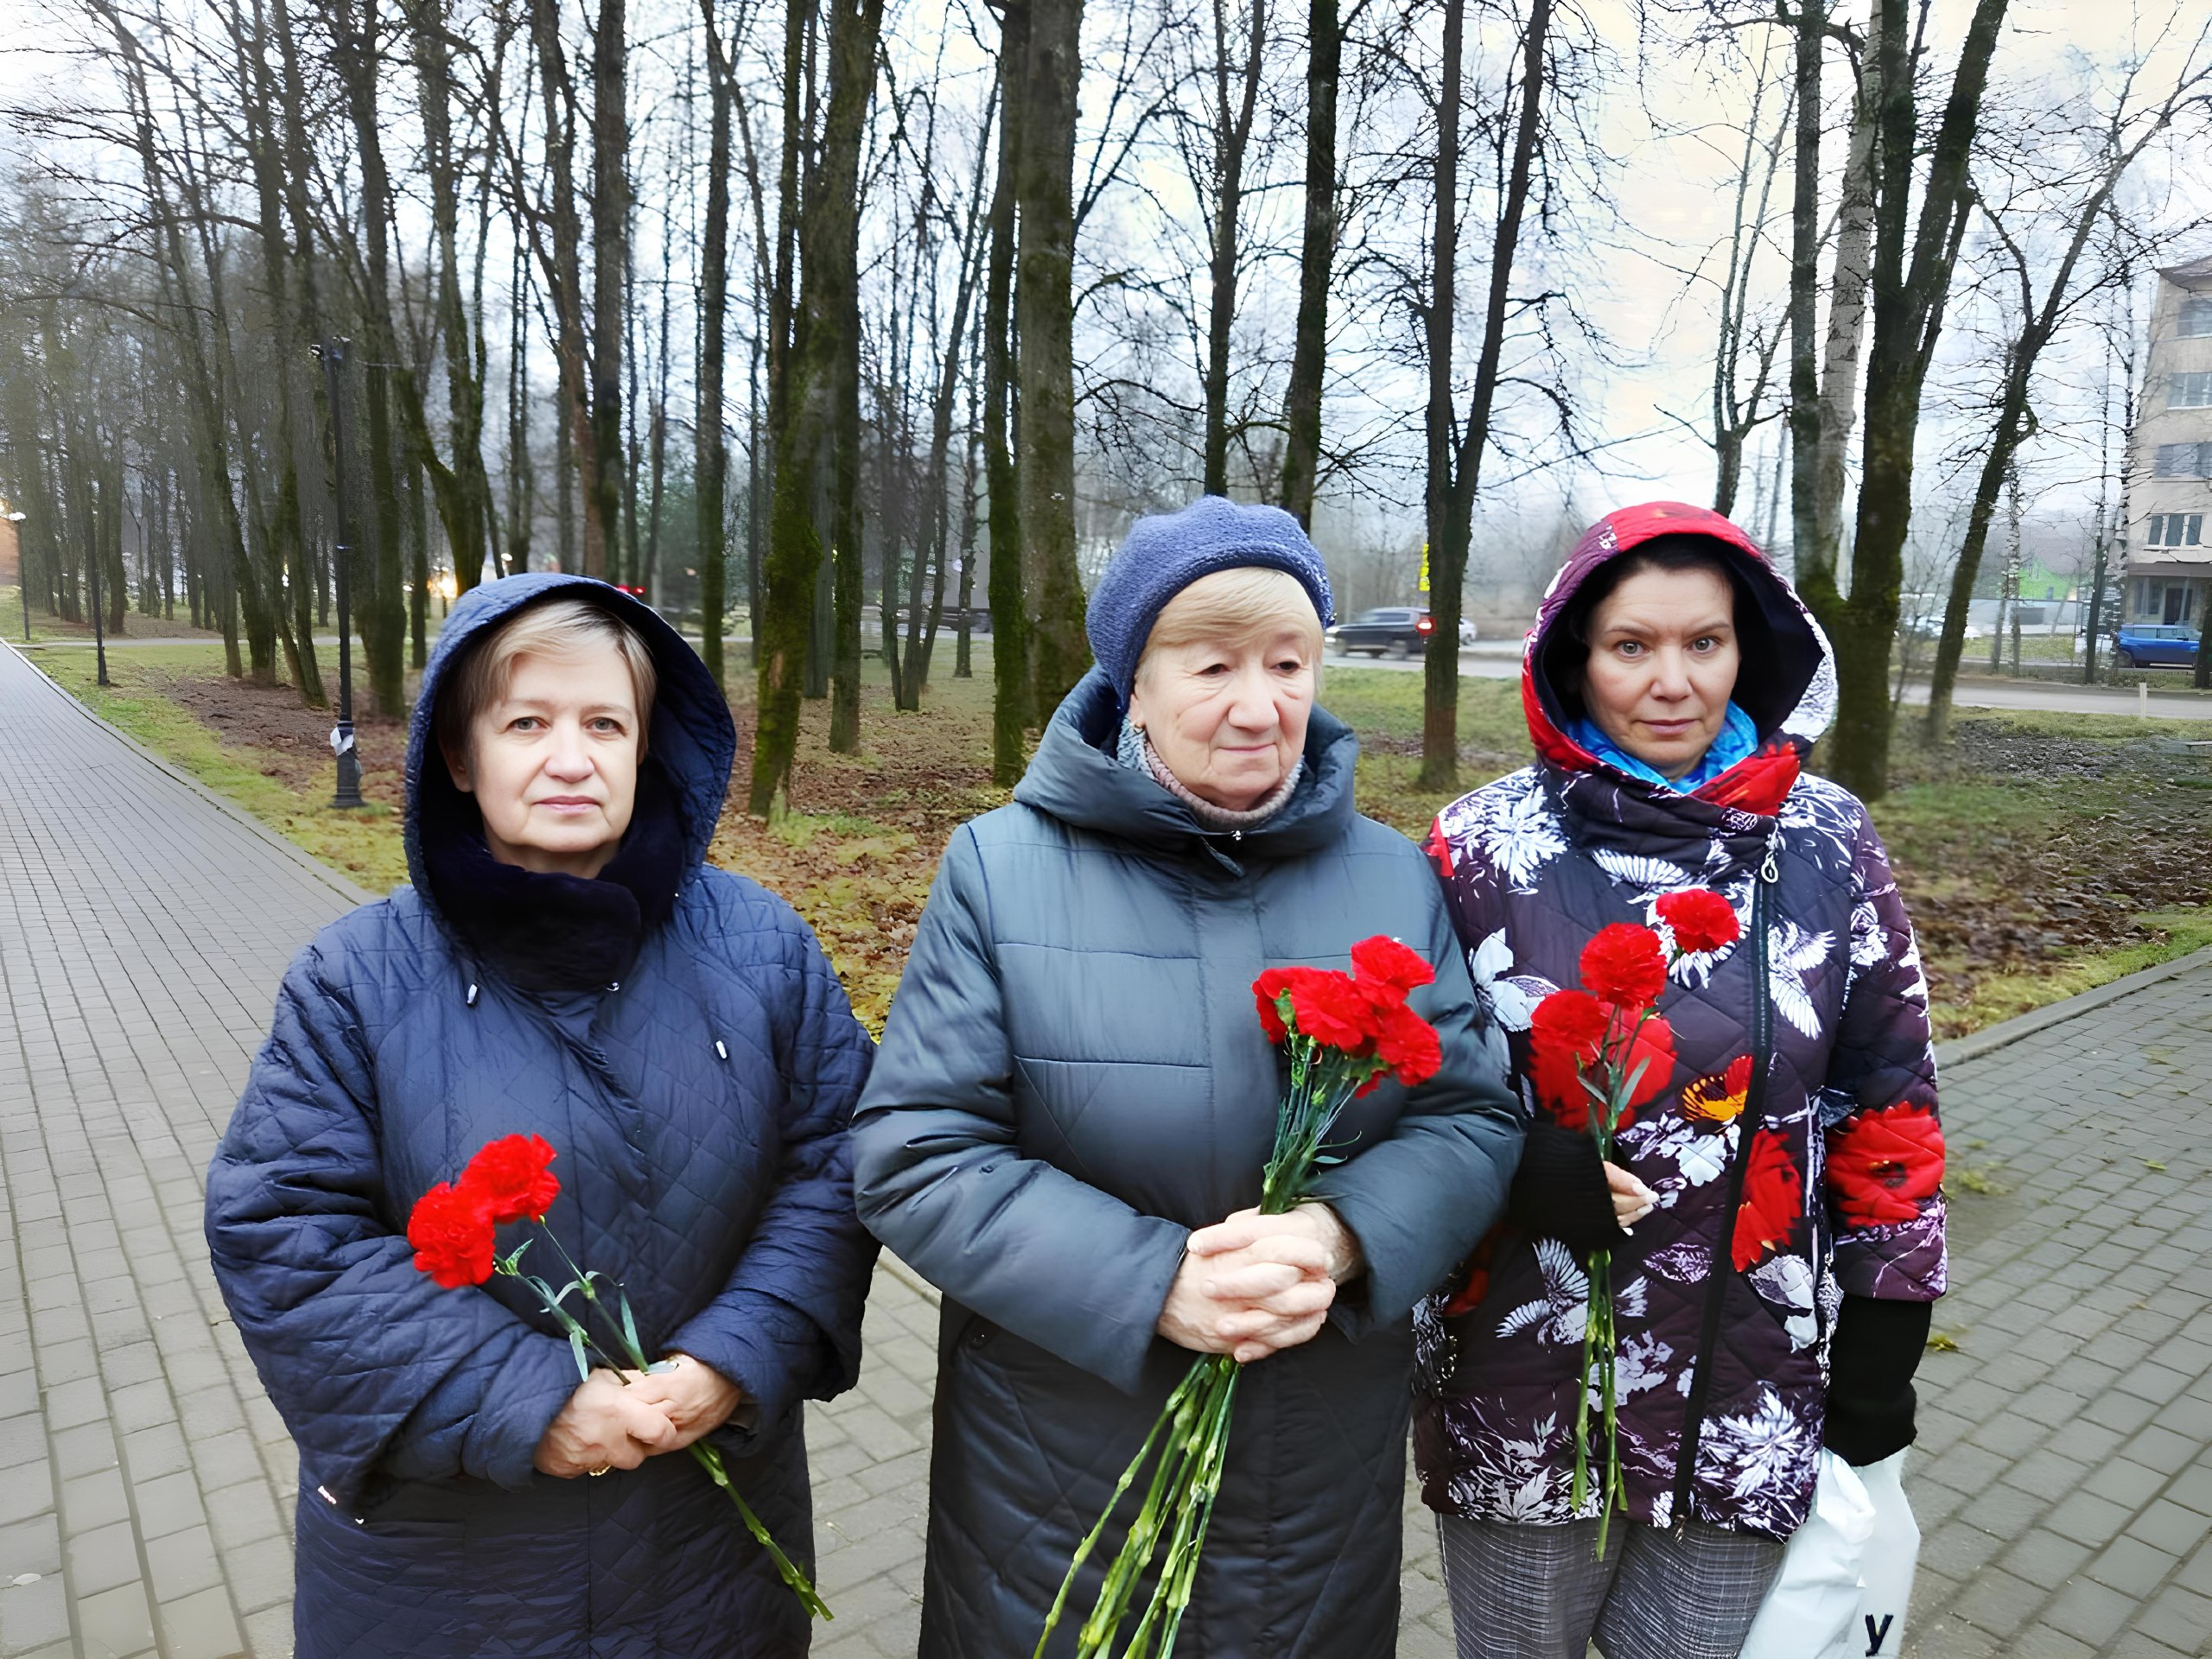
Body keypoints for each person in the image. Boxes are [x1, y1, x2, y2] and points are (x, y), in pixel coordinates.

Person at [851, 496, 1522, 1658]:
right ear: (1136, 685)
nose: (1259, 706)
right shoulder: (1000, 870)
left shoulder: (1392, 876)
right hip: (1059, 1472)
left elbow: (1468, 1117)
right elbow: (917, 1152)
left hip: (1315, 1469)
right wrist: (1151, 1281)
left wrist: (1340, 1237)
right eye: (1213, 666)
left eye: (1289, 663)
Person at [205, 573, 878, 1658]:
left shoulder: (761, 949)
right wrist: (527, 1401)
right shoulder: (354, 981)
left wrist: (735, 1357)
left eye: (605, 723)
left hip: (708, 1559)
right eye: (527, 723)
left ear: (646, 747)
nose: (572, 759)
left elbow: (839, 1164)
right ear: (460, 757)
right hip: (451, 1580)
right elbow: (284, 1233)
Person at [1414, 502, 1947, 1659]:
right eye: (1631, 646)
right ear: (1573, 658)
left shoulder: (1827, 840)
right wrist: (1512, 1167)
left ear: (1748, 648)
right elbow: (1407, 1095)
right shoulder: (1477, 848)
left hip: (1748, 1393)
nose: (1672, 682)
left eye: (1703, 642)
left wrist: (1880, 1359)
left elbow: (1889, 1101)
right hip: (1523, 1385)